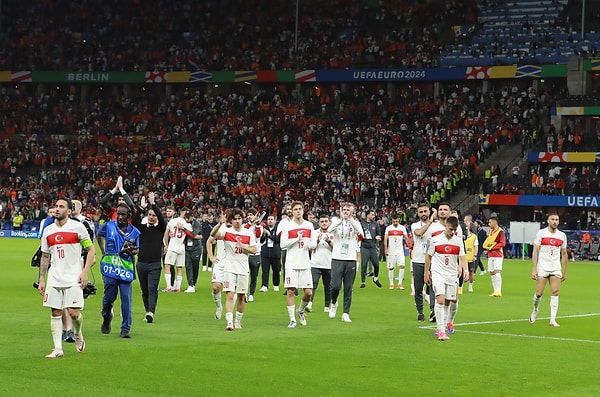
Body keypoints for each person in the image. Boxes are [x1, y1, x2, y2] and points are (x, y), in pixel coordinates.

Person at [38, 197, 95, 357]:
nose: (57, 209)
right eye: (56, 206)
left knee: (73, 313)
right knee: (55, 312)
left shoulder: (78, 228)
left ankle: (78, 333)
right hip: (55, 277)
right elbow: (45, 256)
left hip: (73, 277)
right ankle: (57, 349)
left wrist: (84, 272)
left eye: (61, 206)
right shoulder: (48, 230)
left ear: (69, 211)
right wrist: (42, 278)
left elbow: (91, 250)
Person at [97, 203, 141, 338]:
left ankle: (125, 328)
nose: (120, 217)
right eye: (119, 214)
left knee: (126, 298)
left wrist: (131, 251)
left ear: (128, 216)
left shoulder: (135, 232)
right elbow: (99, 235)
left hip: (125, 267)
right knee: (109, 298)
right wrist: (103, 251)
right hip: (110, 266)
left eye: (123, 214)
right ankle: (106, 316)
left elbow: (138, 249)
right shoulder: (109, 225)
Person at [210, 208, 257, 331]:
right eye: (235, 219)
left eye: (239, 219)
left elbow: (254, 250)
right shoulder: (226, 231)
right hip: (229, 268)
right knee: (230, 295)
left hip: (243, 268)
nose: (237, 221)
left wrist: (244, 247)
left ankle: (238, 321)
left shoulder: (248, 233)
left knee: (241, 297)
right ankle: (229, 322)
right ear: (231, 220)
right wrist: (220, 224)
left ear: (242, 219)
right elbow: (213, 235)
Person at [424, 216, 467, 341]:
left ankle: (449, 322)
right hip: (438, 274)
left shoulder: (458, 241)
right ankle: (441, 330)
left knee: (450, 301)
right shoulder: (435, 240)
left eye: (454, 230)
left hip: (452, 275)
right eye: (450, 229)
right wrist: (426, 272)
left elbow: (463, 257)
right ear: (446, 226)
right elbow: (428, 256)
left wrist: (466, 270)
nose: (452, 232)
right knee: (441, 300)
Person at [280, 201, 317, 328]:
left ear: (303, 210)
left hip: (305, 263)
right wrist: (297, 238)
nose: (298, 211)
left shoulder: (309, 225)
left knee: (308, 293)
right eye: (295, 209)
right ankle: (292, 320)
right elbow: (283, 244)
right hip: (291, 262)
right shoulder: (287, 226)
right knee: (290, 291)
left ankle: (300, 310)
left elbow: (313, 241)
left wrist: (313, 245)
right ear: (292, 211)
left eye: (300, 209)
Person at [132, 192, 166, 323]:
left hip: (155, 264)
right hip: (141, 263)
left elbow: (162, 220)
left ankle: (151, 311)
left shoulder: (160, 229)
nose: (152, 217)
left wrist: (153, 204)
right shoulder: (142, 229)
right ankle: (148, 311)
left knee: (152, 289)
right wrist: (141, 208)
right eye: (150, 215)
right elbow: (134, 221)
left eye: (154, 215)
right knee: (144, 290)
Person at [529, 213, 568, 327]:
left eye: (557, 219)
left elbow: (564, 254)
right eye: (552, 219)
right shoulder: (541, 233)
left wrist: (564, 271)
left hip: (555, 267)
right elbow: (535, 251)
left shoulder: (562, 235)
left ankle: (552, 319)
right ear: (548, 221)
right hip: (542, 266)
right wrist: (534, 268)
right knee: (539, 293)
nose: (555, 221)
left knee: (555, 292)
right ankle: (535, 310)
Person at [328, 202, 364, 323]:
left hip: (351, 259)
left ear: (352, 212)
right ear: (340, 211)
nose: (346, 212)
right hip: (337, 258)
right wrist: (340, 220)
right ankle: (334, 303)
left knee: (348, 287)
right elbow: (329, 230)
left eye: (348, 210)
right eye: (344, 209)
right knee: (335, 286)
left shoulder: (355, 223)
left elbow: (361, 233)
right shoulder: (336, 223)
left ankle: (345, 313)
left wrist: (351, 220)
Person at [410, 203, 436, 322]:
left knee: (433, 287)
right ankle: (420, 311)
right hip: (418, 260)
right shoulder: (415, 225)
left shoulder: (436, 226)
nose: (423, 214)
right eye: (421, 212)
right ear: (418, 214)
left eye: (425, 211)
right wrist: (430, 222)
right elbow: (419, 233)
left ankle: (433, 311)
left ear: (429, 212)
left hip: (433, 260)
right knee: (418, 288)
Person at [163, 208, 197, 292]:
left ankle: (169, 287)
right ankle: (178, 287)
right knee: (179, 268)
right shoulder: (187, 224)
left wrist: (166, 245)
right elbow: (192, 235)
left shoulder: (172, 221)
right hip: (181, 247)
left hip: (172, 247)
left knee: (167, 265)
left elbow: (166, 234)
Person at [308, 214, 333, 313]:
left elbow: (336, 248)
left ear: (329, 222)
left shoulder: (333, 233)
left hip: (329, 264)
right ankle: (309, 304)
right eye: (322, 221)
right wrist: (317, 241)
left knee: (328, 286)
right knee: (312, 284)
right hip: (315, 263)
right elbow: (310, 247)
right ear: (318, 223)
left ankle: (327, 306)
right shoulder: (314, 233)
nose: (324, 223)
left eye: (326, 221)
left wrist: (329, 241)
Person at [244, 208, 264, 302]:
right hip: (245, 253)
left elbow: (258, 235)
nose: (249, 217)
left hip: (256, 253)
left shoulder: (260, 226)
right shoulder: (245, 225)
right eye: (248, 215)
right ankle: (243, 292)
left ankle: (251, 293)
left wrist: (257, 224)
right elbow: (243, 231)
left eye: (251, 215)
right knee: (244, 274)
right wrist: (251, 222)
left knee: (254, 275)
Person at [483, 215, 506, 297]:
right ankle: (495, 290)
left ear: (494, 222)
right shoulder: (491, 231)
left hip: (497, 255)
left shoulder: (500, 231)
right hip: (490, 254)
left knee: (497, 271)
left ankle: (499, 291)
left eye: (490, 222)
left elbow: (502, 243)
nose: (489, 224)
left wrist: (492, 248)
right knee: (492, 272)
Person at [384, 212, 407, 290]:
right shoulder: (388, 228)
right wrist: (386, 249)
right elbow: (385, 239)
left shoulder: (402, 228)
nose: (395, 223)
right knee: (391, 268)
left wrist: (409, 244)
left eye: (396, 221)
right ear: (391, 221)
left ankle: (400, 284)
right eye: (394, 221)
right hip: (391, 251)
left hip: (400, 251)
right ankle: (391, 284)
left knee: (402, 266)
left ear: (399, 220)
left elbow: (406, 237)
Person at [360, 209, 383, 288]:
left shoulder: (376, 224)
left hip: (373, 247)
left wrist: (378, 237)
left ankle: (375, 279)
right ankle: (363, 282)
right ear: (367, 215)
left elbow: (379, 234)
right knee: (364, 265)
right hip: (364, 247)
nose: (374, 216)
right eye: (372, 214)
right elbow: (358, 234)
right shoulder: (362, 224)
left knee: (376, 264)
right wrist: (362, 237)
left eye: (374, 214)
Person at [260, 214, 282, 292]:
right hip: (265, 252)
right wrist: (264, 234)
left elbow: (278, 240)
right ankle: (264, 285)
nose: (270, 220)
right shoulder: (264, 229)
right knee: (265, 270)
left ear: (275, 221)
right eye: (268, 219)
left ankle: (276, 285)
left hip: (275, 253)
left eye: (271, 219)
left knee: (276, 270)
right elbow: (261, 241)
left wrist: (269, 235)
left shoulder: (277, 230)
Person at [184, 210, 203, 293]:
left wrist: (184, 229)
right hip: (187, 248)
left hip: (196, 248)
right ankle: (190, 284)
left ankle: (193, 283)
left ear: (192, 216)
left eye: (188, 217)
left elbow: (193, 235)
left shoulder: (197, 224)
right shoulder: (185, 223)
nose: (187, 219)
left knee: (195, 267)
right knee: (188, 266)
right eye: (186, 217)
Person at [464, 223, 479, 292]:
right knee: (460, 272)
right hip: (463, 257)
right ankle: (460, 286)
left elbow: (476, 246)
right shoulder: (461, 236)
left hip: (470, 257)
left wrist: (475, 255)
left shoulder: (474, 237)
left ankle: (470, 286)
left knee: (471, 272)